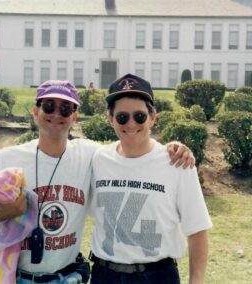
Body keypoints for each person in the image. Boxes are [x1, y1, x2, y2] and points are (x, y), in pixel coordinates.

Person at [0, 80, 195, 284]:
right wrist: (5, 211)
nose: (57, 114)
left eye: (66, 108)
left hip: (68, 277)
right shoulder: (9, 158)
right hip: (19, 277)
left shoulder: (90, 155)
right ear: (35, 112)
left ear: (74, 117)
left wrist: (172, 149)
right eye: (49, 106)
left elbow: (129, 146)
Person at [88, 74, 212, 284]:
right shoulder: (98, 159)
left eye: (139, 116)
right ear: (110, 119)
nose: (131, 124)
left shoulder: (177, 163)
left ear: (153, 116)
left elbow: (197, 230)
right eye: (122, 117)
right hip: (104, 274)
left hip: (157, 276)